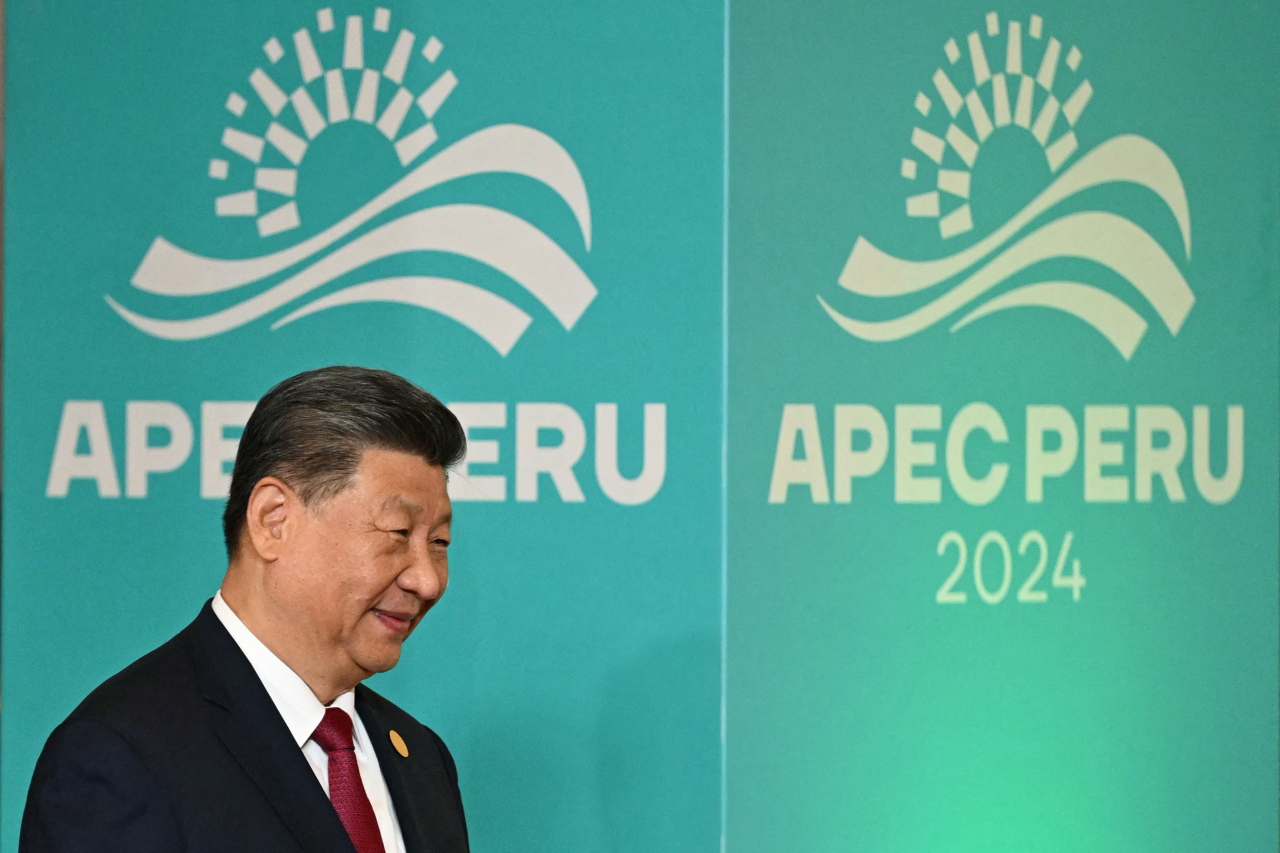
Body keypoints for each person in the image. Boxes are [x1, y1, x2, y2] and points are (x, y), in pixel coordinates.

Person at [20, 366, 470, 853]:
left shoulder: (420, 755)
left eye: (439, 542)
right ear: (273, 520)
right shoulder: (121, 754)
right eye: (399, 534)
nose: (426, 579)